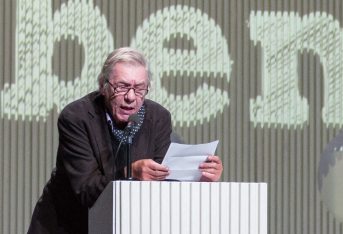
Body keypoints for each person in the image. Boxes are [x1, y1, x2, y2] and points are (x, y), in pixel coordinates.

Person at [28, 47, 223, 233]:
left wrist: (199, 179)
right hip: (69, 225)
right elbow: (87, 191)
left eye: (139, 89)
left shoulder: (158, 118)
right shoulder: (77, 117)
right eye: (122, 87)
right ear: (103, 86)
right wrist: (131, 173)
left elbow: (165, 183)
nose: (131, 97)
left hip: (125, 225)